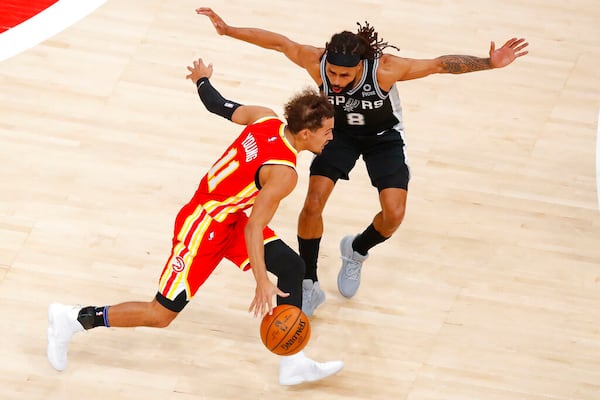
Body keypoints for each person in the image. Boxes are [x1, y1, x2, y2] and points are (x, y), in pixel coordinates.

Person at [196, 7, 529, 316]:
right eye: (332, 74)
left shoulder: (385, 69)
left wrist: (489, 62)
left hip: (383, 138)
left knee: (394, 214)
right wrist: (227, 30)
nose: (336, 81)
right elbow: (280, 43)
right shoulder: (316, 61)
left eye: (344, 75)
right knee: (313, 202)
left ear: (361, 65)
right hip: (337, 134)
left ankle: (355, 249)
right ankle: (310, 281)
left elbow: (441, 64)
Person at [47, 57, 344, 386]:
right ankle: (74, 318)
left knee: (291, 267)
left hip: (228, 216)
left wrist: (202, 80)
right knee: (161, 314)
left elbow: (218, 105)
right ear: (305, 133)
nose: (331, 137)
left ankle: (292, 363)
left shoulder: (265, 118)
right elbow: (254, 228)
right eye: (327, 132)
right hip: (202, 226)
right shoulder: (284, 173)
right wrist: (261, 280)